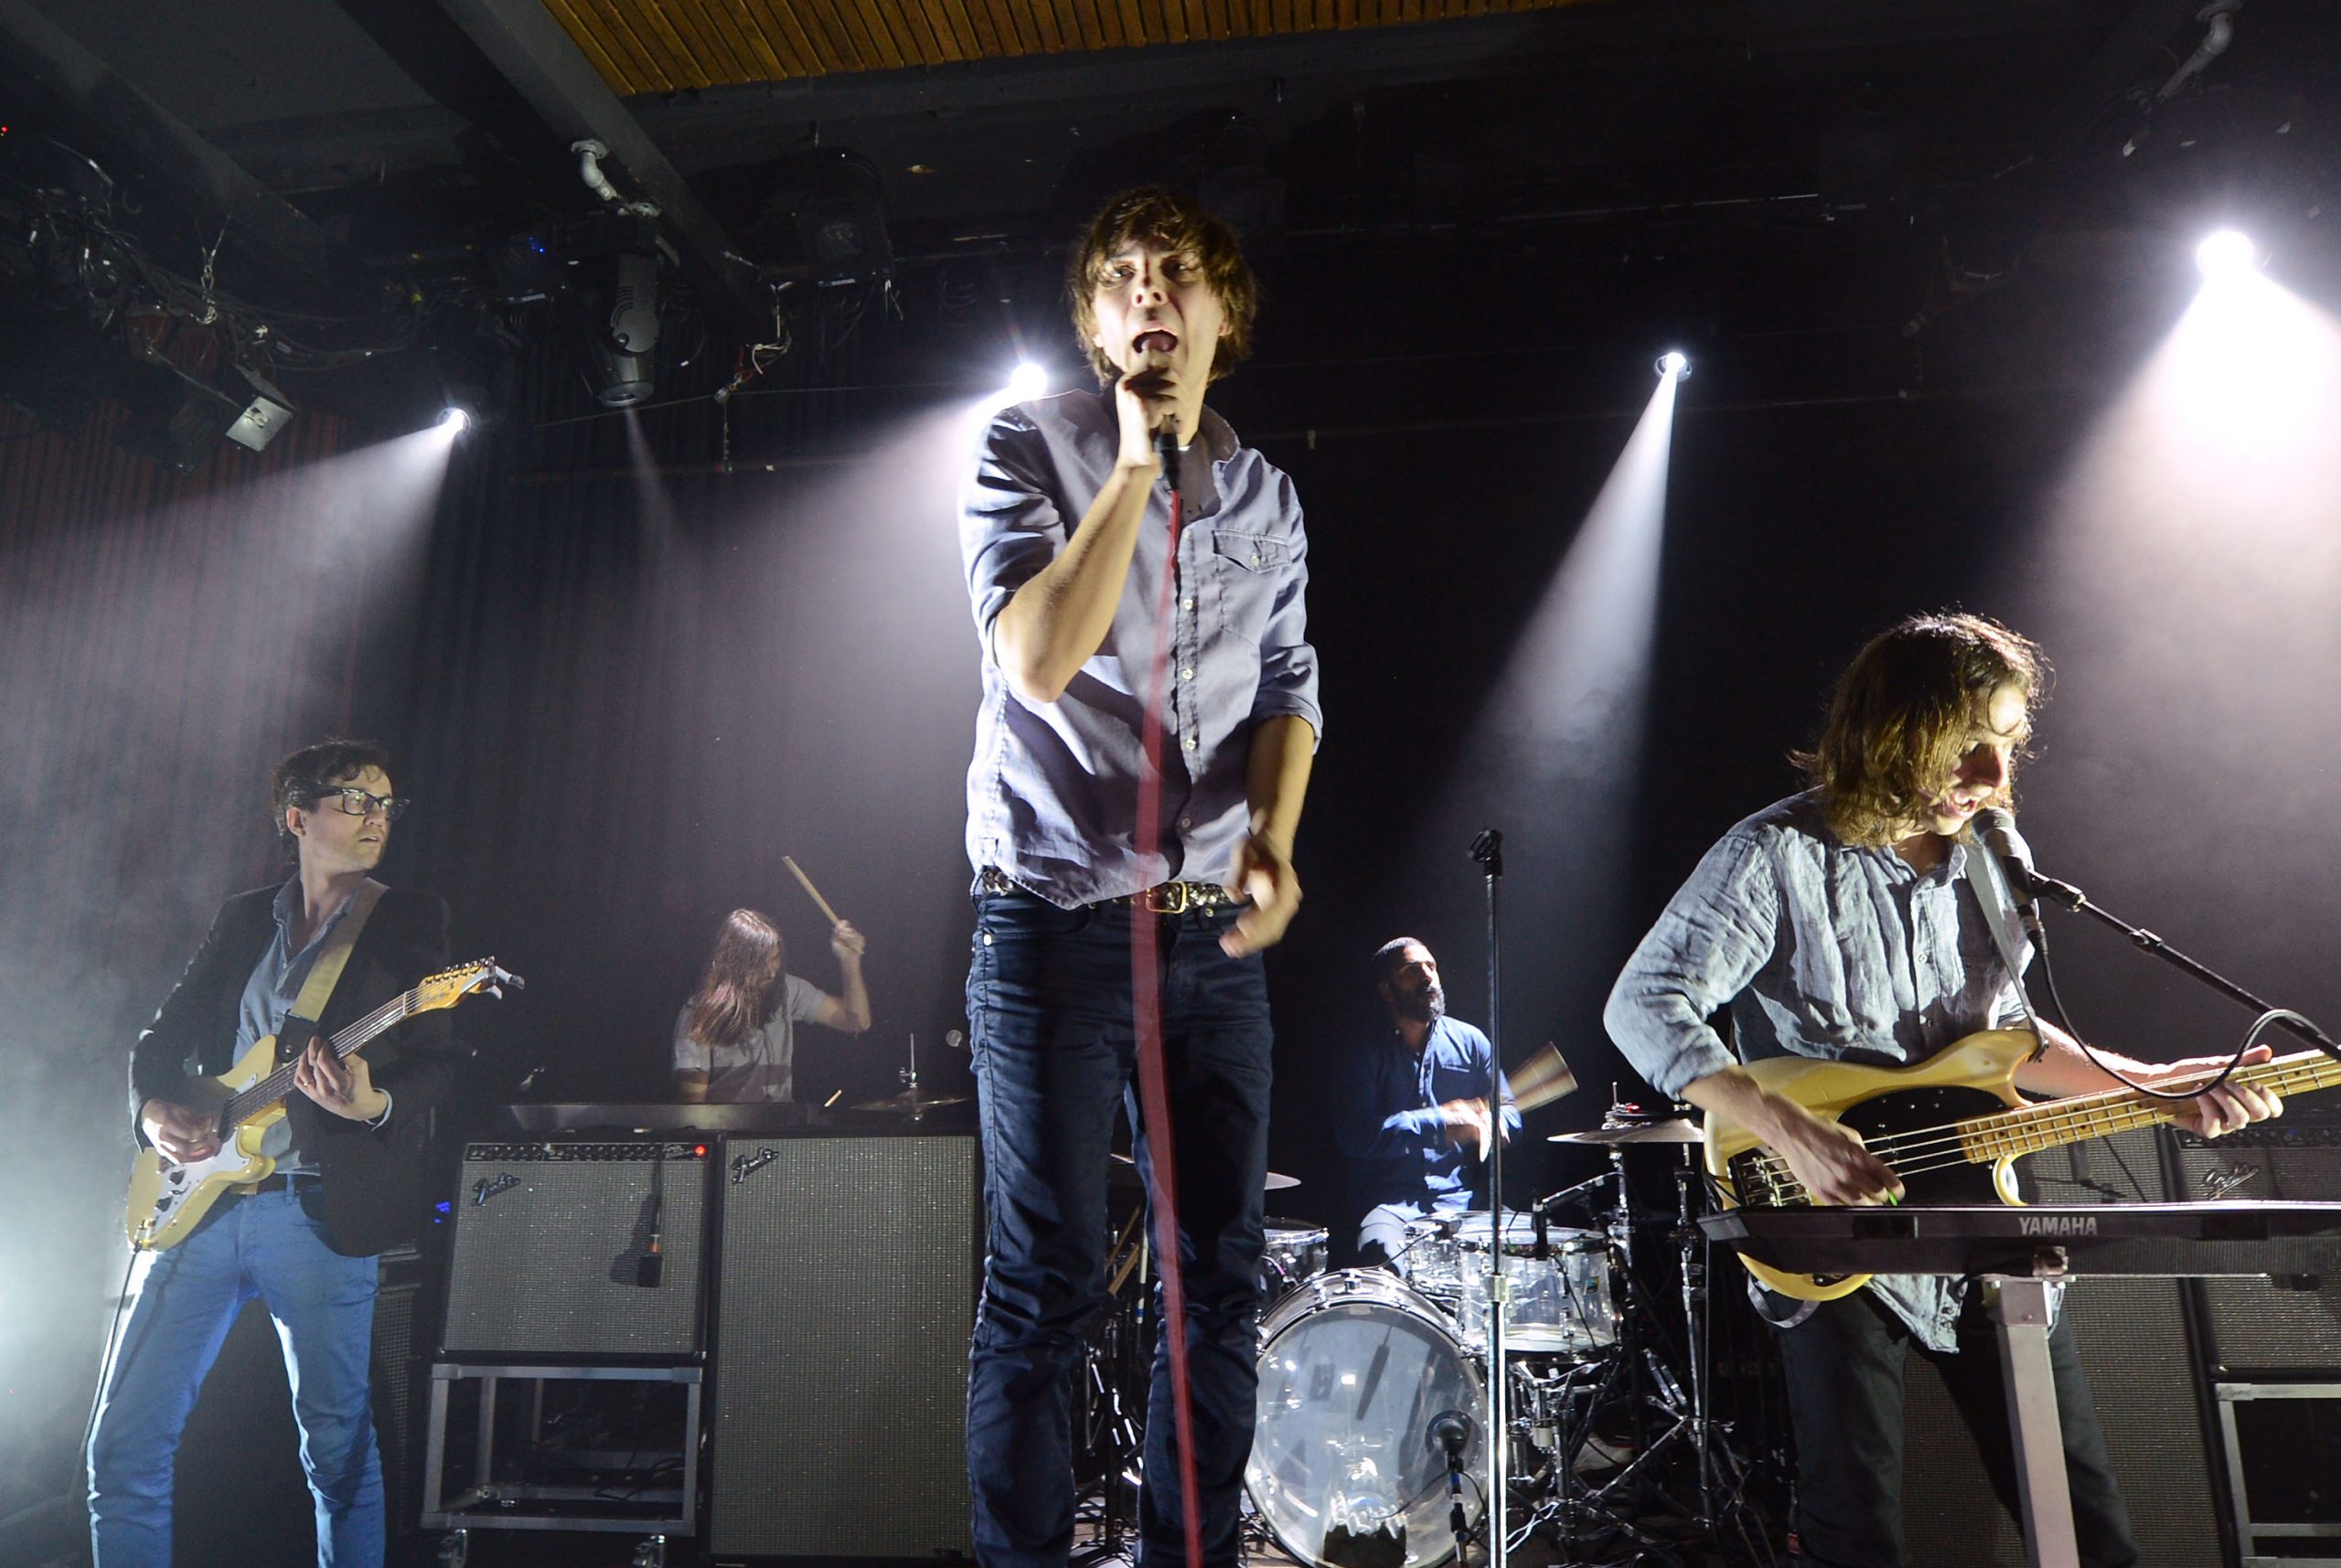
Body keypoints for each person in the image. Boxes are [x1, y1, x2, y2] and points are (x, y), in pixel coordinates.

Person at [1603, 612, 2282, 1568]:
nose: (1994, 776)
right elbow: (1642, 1002)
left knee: (2085, 1524)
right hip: (1831, 1228)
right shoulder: (1772, 853)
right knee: (1858, 1534)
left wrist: (2149, 1084)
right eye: (1966, 744)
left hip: (1982, 1216)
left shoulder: (1994, 859)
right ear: (1891, 733)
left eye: (2005, 744)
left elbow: (2001, 1041)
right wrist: (1786, 1128)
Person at [957, 184, 1320, 1568]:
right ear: (1096, 323)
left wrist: (1274, 836)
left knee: (1215, 1284)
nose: (1148, 290)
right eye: (1119, 274)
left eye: (1178, 271)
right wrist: (1126, 469)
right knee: (1047, 1284)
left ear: (1225, 314)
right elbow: (1037, 658)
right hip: (1051, 926)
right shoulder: (1025, 444)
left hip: (1209, 943)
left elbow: (1287, 687)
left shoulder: (1267, 494)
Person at [90, 740, 459, 1568]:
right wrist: (152, 1112)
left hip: (316, 1212)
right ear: (297, 817)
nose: (376, 817)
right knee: (121, 1445)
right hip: (202, 1203)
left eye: (386, 803)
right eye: (355, 800)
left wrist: (372, 1102)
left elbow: (438, 1062)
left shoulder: (408, 917)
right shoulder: (244, 916)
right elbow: (160, 1039)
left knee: (338, 1452)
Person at [1336, 937, 1520, 1266]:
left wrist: (1496, 1123)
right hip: (1390, 1207)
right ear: (1387, 990)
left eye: (1431, 966)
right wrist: (1438, 1122)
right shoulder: (1362, 1050)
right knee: (1383, 1262)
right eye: (1412, 970)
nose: (1427, 976)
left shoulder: (1472, 1042)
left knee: (1531, 1248)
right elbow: (1355, 1136)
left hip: (1463, 1202)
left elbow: (1509, 1111)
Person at [672, 908, 871, 1103]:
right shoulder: (698, 1016)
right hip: (726, 1125)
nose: (771, 971)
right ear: (735, 962)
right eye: (760, 963)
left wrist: (850, 963)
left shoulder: (788, 990)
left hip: (780, 1123)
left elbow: (857, 1023)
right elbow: (692, 1111)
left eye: (774, 958)